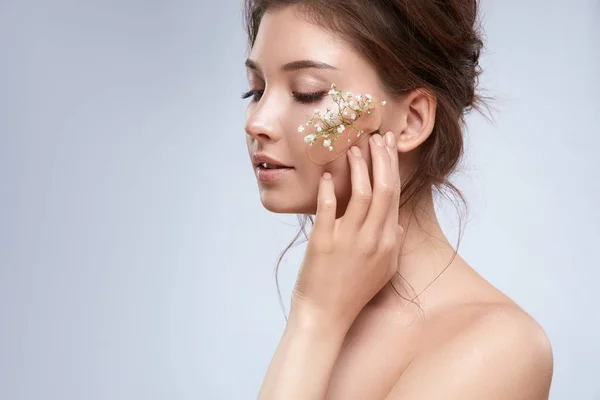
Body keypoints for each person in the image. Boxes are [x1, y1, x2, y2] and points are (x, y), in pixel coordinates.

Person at [241, 1, 554, 398]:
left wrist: (314, 321)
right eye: (254, 90)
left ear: (413, 120)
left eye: (307, 93)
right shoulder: (335, 307)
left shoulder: (499, 349)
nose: (256, 122)